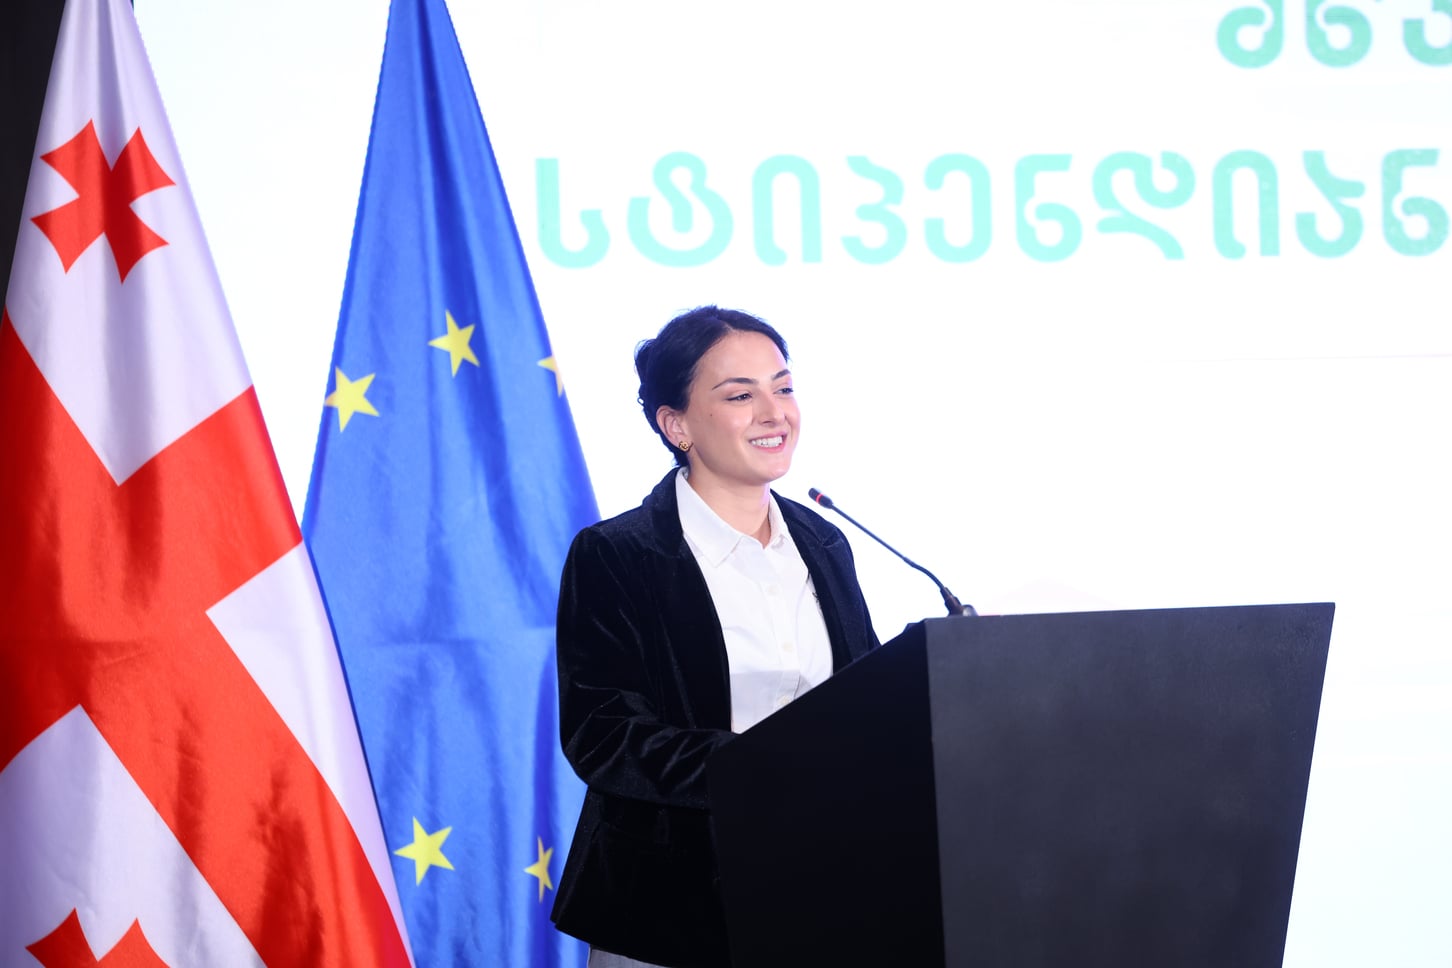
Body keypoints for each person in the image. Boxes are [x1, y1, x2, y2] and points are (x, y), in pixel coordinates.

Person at [550, 305, 880, 968]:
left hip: (821, 884)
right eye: (740, 395)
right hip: (665, 904)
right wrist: (762, 769)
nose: (774, 413)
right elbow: (604, 733)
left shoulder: (823, 541)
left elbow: (863, 694)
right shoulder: (618, 553)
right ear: (676, 425)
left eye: (783, 388)